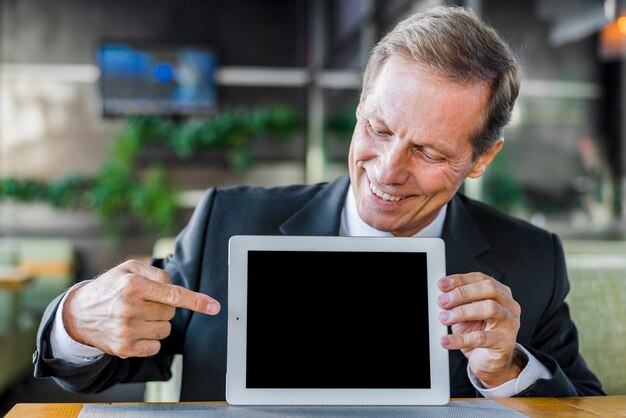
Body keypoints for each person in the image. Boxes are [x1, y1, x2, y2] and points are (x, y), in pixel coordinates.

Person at [33, 5, 604, 399]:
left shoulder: (532, 260)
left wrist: (506, 370)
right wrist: (78, 321)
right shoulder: (227, 222)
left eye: (428, 151)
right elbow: (110, 362)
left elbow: (585, 404)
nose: (387, 170)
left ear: (481, 159)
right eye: (378, 129)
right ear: (360, 107)